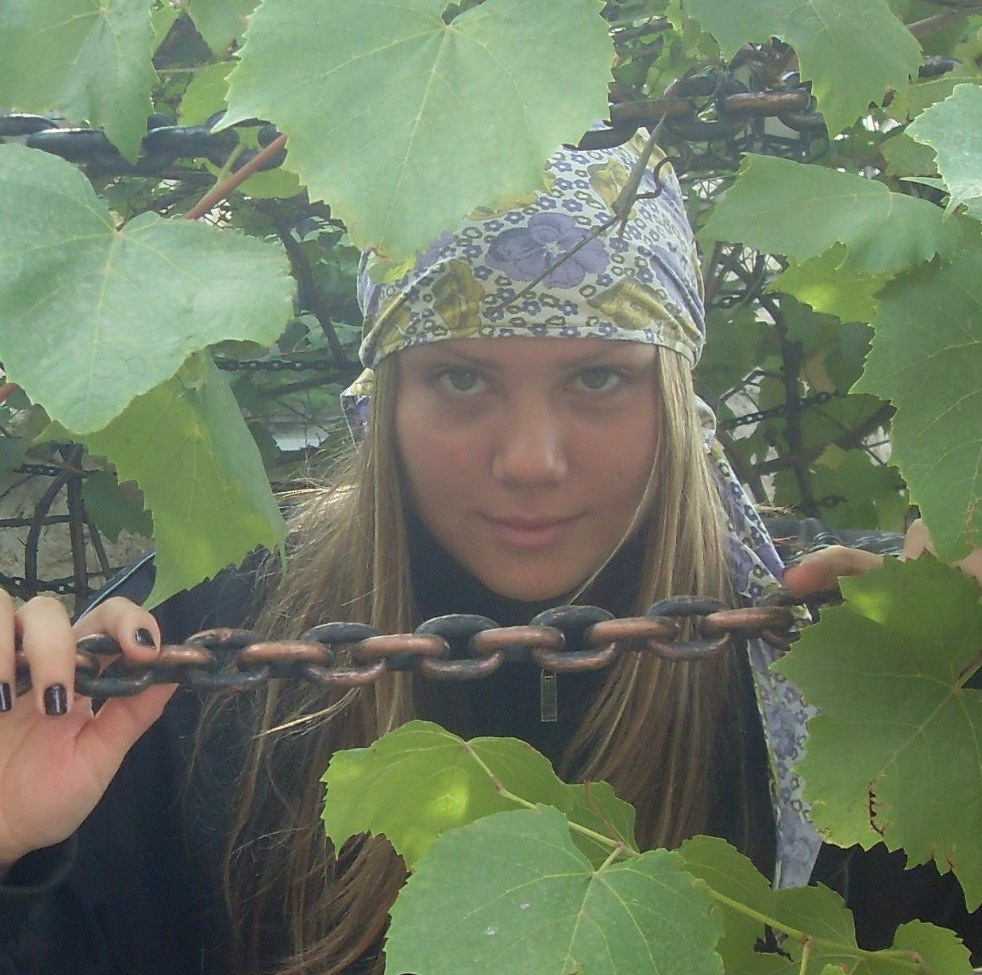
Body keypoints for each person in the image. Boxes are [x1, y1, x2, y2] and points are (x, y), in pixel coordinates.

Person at [1, 135, 979, 975]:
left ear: (677, 402)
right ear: (388, 396)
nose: (530, 461)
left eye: (599, 378)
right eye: (462, 379)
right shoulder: (202, 643)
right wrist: (10, 852)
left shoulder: (814, 653)